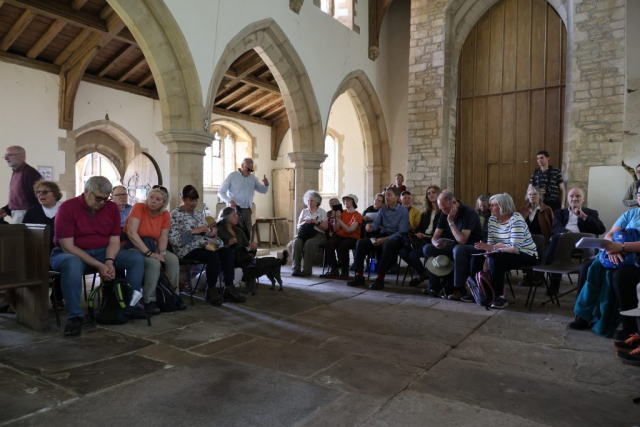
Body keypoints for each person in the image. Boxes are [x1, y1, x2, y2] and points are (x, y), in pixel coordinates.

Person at [50, 176, 145, 337]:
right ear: (86, 191)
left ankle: (129, 305)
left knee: (136, 259)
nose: (102, 203)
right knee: (72, 264)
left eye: (105, 199)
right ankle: (75, 316)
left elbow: (114, 240)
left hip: (102, 251)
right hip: (70, 253)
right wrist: (100, 266)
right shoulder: (67, 208)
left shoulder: (111, 208)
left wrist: (109, 261)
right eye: (98, 198)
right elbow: (68, 246)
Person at [570, 185, 640, 339]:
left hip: (636, 259)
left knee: (620, 276)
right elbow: (610, 234)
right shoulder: (631, 214)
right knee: (588, 266)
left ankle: (630, 327)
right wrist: (610, 248)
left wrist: (621, 247)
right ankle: (584, 316)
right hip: (618, 252)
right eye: (639, 194)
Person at [169, 185, 245, 306]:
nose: (194, 203)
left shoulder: (199, 213)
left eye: (196, 200)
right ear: (182, 198)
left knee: (227, 252)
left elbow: (205, 232)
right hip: (186, 249)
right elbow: (174, 241)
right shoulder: (174, 215)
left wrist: (211, 233)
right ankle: (211, 291)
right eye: (190, 200)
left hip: (204, 244)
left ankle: (229, 288)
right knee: (212, 256)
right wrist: (195, 231)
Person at [123, 185, 186, 315]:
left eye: (158, 199)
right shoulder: (139, 207)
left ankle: (173, 295)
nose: (153, 201)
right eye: (151, 197)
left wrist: (162, 253)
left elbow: (163, 237)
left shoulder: (165, 214)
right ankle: (149, 300)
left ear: (164, 202)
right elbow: (131, 232)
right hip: (134, 245)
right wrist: (150, 254)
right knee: (153, 263)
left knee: (172, 259)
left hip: (153, 245)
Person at [471, 193, 539, 309]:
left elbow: (514, 249)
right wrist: (487, 256)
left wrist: (493, 249)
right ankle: (481, 292)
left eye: (493, 205)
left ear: (503, 206)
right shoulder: (492, 219)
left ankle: (500, 297)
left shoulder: (516, 219)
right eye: (490, 205)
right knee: (476, 258)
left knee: (496, 258)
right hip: (502, 252)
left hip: (526, 254)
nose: (490, 207)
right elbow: (491, 243)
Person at [420, 191, 483, 299]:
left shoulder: (469, 213)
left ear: (454, 203)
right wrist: (436, 243)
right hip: (454, 245)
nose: (443, 212)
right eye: (441, 209)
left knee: (458, 249)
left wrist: (451, 222)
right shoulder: (444, 213)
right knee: (428, 248)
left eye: (445, 208)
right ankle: (434, 286)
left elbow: (462, 240)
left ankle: (459, 289)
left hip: (473, 246)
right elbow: (435, 236)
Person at [347, 187, 409, 290]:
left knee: (387, 245)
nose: (386, 197)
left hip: (396, 238)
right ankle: (359, 276)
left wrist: (386, 239)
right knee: (360, 243)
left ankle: (380, 278)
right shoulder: (383, 209)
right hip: (382, 235)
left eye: (389, 195)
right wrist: (370, 227)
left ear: (397, 197)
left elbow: (402, 232)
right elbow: (375, 225)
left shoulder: (403, 211)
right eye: (385, 195)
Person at [545, 187, 606, 293]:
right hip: (564, 242)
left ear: (583, 199)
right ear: (567, 199)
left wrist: (585, 217)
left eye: (578, 196)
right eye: (571, 196)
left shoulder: (591, 213)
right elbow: (555, 228)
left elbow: (601, 230)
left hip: (583, 246)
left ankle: (544, 265)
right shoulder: (559, 213)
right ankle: (554, 283)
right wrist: (568, 235)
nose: (574, 198)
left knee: (556, 241)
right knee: (557, 240)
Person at [23, 180, 64, 308]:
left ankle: (57, 298)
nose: (41, 194)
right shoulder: (32, 212)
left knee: (64, 263)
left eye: (45, 192)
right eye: (38, 192)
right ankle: (36, 301)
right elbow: (24, 233)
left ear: (55, 194)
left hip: (61, 249)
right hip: (38, 251)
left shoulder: (64, 209)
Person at [399, 185, 442, 287]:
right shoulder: (425, 213)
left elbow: (442, 230)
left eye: (433, 192)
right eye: (428, 193)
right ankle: (423, 273)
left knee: (415, 254)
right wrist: (418, 233)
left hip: (434, 240)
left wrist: (429, 236)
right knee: (402, 251)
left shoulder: (442, 212)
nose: (430, 195)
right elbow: (420, 228)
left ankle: (423, 276)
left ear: (438, 194)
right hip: (423, 239)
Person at [218, 157, 269, 239]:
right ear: (242, 166)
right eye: (247, 168)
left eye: (251, 170)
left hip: (247, 210)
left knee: (247, 233)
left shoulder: (252, 178)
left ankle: (246, 250)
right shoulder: (232, 176)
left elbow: (263, 190)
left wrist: (266, 184)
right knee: (235, 232)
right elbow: (220, 192)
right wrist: (229, 200)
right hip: (235, 210)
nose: (249, 171)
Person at [516, 186, 554, 286]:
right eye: (530, 194)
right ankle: (528, 277)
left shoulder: (547, 209)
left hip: (541, 238)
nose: (532, 196)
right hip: (525, 239)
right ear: (527, 197)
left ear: (540, 196)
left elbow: (552, 224)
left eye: (535, 194)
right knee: (524, 254)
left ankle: (539, 277)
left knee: (539, 255)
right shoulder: (522, 209)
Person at [217, 207, 258, 291]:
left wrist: (252, 245)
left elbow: (247, 244)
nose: (237, 217)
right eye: (234, 215)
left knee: (252, 252)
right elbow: (216, 248)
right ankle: (242, 279)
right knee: (234, 250)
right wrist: (228, 244)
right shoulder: (219, 230)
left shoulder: (239, 230)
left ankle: (247, 278)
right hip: (228, 257)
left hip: (240, 256)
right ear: (227, 217)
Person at [321, 194, 362, 277]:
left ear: (353, 202)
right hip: (340, 235)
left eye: (348, 200)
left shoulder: (357, 215)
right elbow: (336, 229)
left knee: (343, 246)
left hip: (352, 237)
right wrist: (336, 219)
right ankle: (334, 268)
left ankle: (344, 269)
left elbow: (350, 230)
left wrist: (339, 220)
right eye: (345, 200)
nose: (345, 201)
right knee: (328, 245)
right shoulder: (342, 213)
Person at [0, 146, 42, 224]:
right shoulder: (16, 172)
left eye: (9, 155)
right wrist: (6, 209)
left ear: (21, 156)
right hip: (16, 214)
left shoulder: (30, 173)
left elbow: (39, 196)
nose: (6, 158)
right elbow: (18, 198)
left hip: (26, 215)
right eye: (5, 156)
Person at [291, 190, 328, 276]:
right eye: (308, 200)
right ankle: (295, 269)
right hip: (305, 233)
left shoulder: (322, 211)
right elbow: (298, 225)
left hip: (319, 234)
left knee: (309, 243)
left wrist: (315, 222)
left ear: (317, 202)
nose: (309, 202)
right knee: (296, 242)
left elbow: (325, 228)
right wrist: (305, 222)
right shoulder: (304, 211)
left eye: (312, 201)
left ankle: (307, 270)